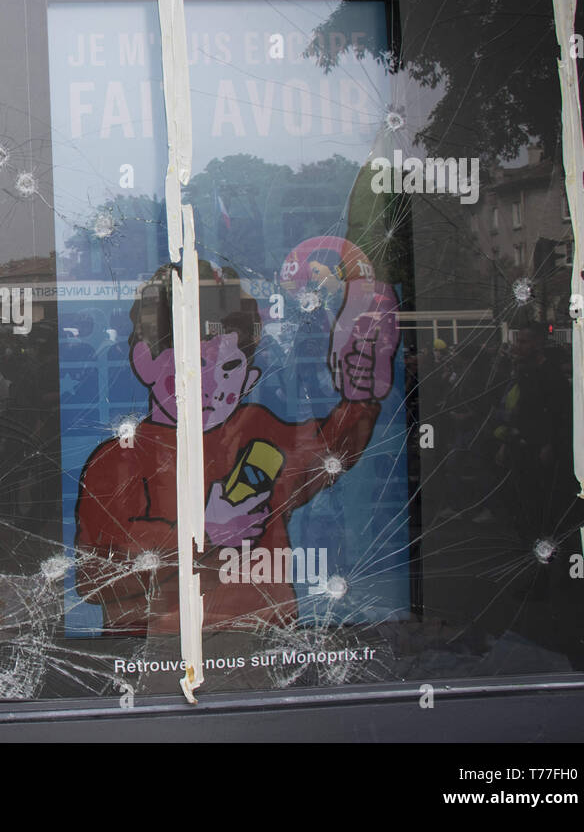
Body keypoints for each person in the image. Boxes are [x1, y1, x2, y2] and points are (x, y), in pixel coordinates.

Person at [74, 261, 398, 633]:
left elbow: (329, 452)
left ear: (250, 377)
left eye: (228, 368)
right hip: (159, 653)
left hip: (267, 641)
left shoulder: (259, 430)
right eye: (192, 365)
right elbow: (94, 580)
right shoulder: (117, 460)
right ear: (144, 362)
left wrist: (362, 394)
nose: (209, 385)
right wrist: (204, 534)